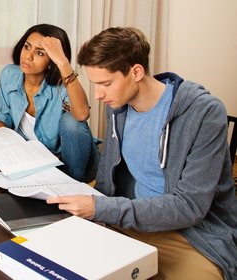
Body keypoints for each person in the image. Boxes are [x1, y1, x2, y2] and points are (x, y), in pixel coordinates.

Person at [47, 27, 237, 279]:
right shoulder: (118, 106)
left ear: (136, 72)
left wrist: (103, 209)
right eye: (95, 84)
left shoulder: (203, 113)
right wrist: (97, 213)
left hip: (191, 233)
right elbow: (107, 177)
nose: (98, 95)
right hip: (132, 217)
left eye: (105, 84)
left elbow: (190, 207)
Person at [0, 24, 99, 182]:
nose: (28, 56)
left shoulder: (62, 85)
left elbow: (82, 114)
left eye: (40, 53)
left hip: (69, 163)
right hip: (33, 160)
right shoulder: (9, 74)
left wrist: (62, 62)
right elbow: (3, 118)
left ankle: (72, 185)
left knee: (72, 120)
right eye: (27, 47)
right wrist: (2, 150)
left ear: (51, 61)